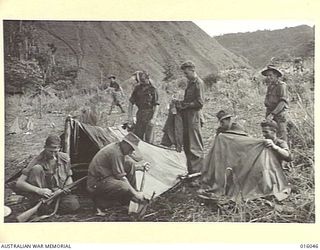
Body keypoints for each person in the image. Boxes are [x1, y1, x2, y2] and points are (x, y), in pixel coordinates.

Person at [15, 135, 80, 214]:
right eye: (50, 151)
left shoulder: (65, 158)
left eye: (55, 151)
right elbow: (19, 183)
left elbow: (69, 177)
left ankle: (45, 207)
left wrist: (65, 188)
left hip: (58, 193)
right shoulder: (36, 160)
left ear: (59, 148)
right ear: (45, 147)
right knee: (37, 168)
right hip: (43, 194)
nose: (53, 155)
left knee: (73, 205)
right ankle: (41, 204)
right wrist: (39, 191)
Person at [87, 132, 149, 210]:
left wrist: (140, 167)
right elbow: (121, 177)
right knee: (124, 186)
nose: (131, 151)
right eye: (131, 148)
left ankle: (131, 199)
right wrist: (135, 193)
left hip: (106, 178)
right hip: (96, 183)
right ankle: (101, 202)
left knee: (130, 164)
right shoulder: (115, 152)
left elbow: (123, 166)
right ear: (125, 144)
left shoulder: (118, 148)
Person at [177, 61, 204, 183]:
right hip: (187, 117)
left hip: (193, 117)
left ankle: (198, 176)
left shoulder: (198, 83)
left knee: (195, 146)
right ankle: (191, 172)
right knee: (187, 144)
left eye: (186, 72)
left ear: (192, 70)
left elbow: (200, 103)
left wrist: (186, 105)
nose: (185, 75)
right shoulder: (190, 83)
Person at [128, 71, 159, 143]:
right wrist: (130, 117)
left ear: (148, 79)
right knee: (137, 137)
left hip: (149, 114)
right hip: (140, 114)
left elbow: (156, 105)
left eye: (144, 80)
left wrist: (154, 118)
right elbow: (131, 102)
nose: (142, 82)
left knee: (149, 140)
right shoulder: (137, 88)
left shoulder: (153, 89)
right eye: (141, 81)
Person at [261, 65, 289, 141]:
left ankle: (285, 151)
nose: (268, 77)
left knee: (281, 133)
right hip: (270, 111)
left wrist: (273, 114)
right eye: (267, 76)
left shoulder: (281, 85)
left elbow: (282, 102)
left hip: (279, 113)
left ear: (276, 75)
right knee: (269, 133)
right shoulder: (270, 86)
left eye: (270, 75)